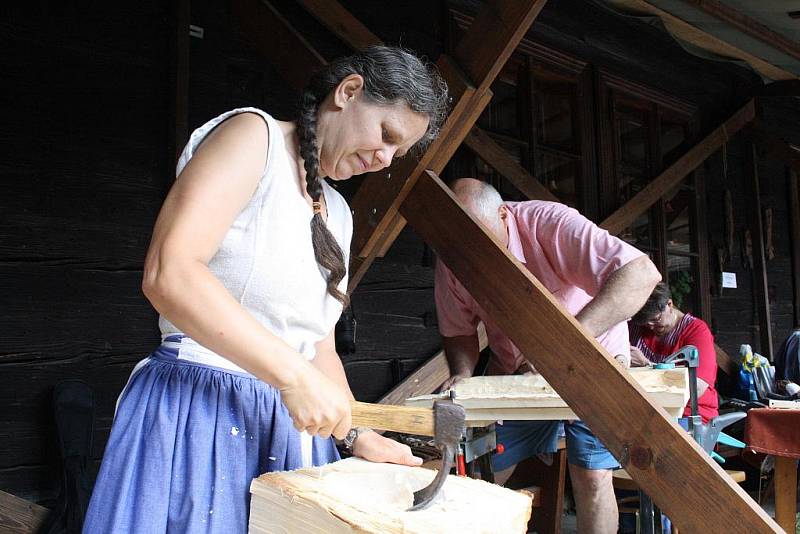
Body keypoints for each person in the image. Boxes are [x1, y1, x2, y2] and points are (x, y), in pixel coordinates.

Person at [83, 45, 449, 533]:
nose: (384, 160)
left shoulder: (338, 213)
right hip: (199, 409)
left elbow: (316, 344)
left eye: (396, 154)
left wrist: (354, 430)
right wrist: (293, 378)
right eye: (386, 135)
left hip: (288, 429)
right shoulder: (253, 137)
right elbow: (170, 272)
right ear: (349, 91)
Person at [434, 178, 660, 534]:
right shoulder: (454, 259)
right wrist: (464, 374)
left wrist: (558, 348)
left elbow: (640, 273)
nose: (479, 262)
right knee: (487, 465)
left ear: (505, 215)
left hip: (593, 362)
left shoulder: (550, 224)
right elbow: (458, 330)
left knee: (591, 476)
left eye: (487, 246)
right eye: (469, 252)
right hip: (519, 375)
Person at [629, 282, 719, 422]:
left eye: (655, 319)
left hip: (688, 413)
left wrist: (646, 364)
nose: (650, 326)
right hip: (645, 408)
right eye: (645, 322)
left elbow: (697, 387)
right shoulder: (637, 327)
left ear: (669, 305)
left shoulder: (696, 331)